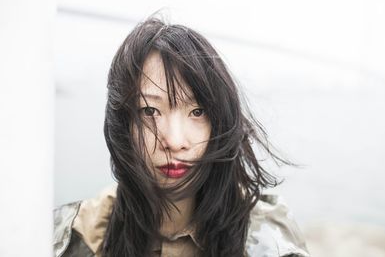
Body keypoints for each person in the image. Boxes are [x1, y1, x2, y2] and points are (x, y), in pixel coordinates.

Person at [53, 17, 310, 257]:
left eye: (197, 111)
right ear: (123, 124)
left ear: (219, 122)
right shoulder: (75, 234)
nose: (175, 141)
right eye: (149, 111)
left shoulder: (270, 238)